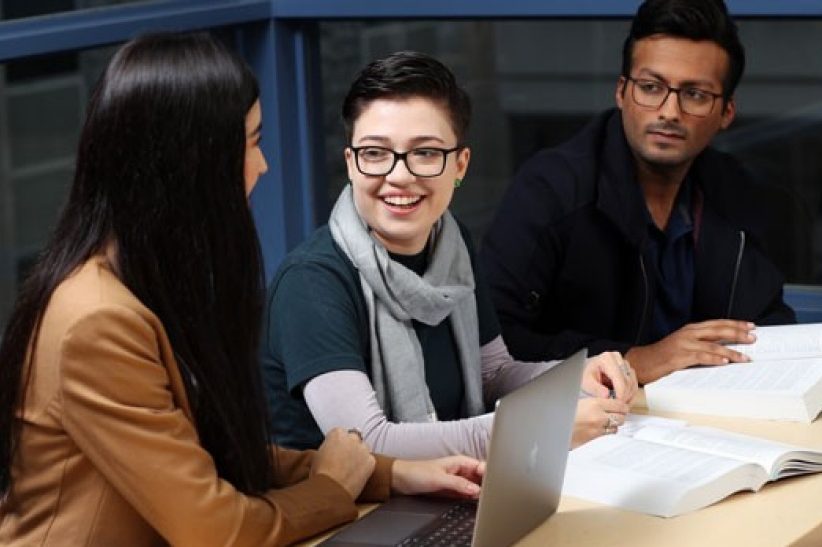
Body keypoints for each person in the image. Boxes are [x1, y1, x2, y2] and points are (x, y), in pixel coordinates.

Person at [0, 33, 487, 547]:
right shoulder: (96, 322)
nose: (263, 167)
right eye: (251, 143)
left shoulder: (147, 282)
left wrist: (389, 475)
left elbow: (209, 451)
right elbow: (215, 529)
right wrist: (331, 488)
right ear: (194, 163)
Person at [260, 51, 638, 461]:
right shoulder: (312, 281)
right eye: (374, 153)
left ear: (460, 165)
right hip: (340, 514)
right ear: (351, 164)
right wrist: (539, 425)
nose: (399, 175)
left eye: (425, 153)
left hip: (437, 493)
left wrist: (572, 376)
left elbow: (491, 374)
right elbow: (368, 444)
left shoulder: (450, 246)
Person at [480, 0, 796, 385]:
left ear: (726, 112)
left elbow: (771, 324)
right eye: (651, 87)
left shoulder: (739, 193)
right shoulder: (552, 189)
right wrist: (637, 359)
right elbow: (494, 344)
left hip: (709, 416)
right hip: (585, 423)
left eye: (695, 95)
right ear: (622, 91)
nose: (669, 111)